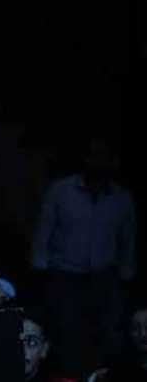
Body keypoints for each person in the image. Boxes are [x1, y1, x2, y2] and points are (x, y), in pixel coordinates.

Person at [32, 138, 136, 376]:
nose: (97, 161)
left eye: (104, 156)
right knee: (66, 333)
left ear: (112, 161)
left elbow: (127, 238)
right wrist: (39, 266)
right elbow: (44, 229)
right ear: (83, 159)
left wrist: (126, 273)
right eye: (93, 155)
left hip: (104, 277)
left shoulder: (122, 198)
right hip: (65, 275)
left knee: (106, 334)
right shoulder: (60, 191)